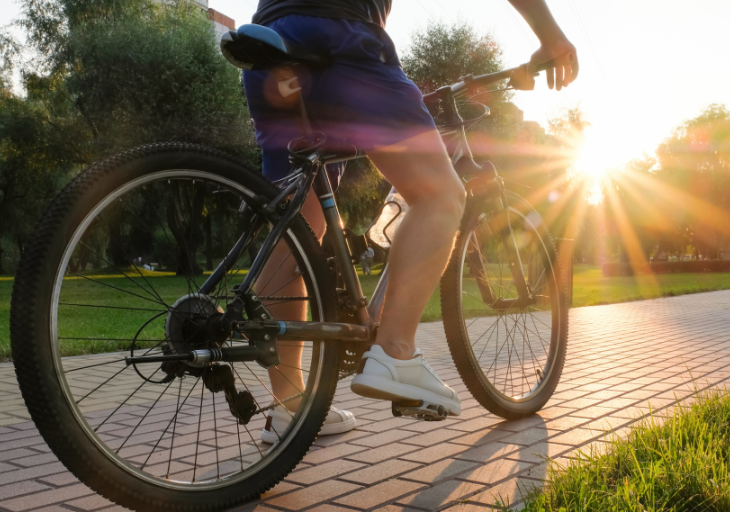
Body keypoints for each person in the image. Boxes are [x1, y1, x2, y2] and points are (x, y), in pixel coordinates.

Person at [245, 0, 580, 439]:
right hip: (338, 34)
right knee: (440, 195)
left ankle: (290, 408)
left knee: (297, 230)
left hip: (268, 45)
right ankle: (396, 353)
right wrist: (550, 35)